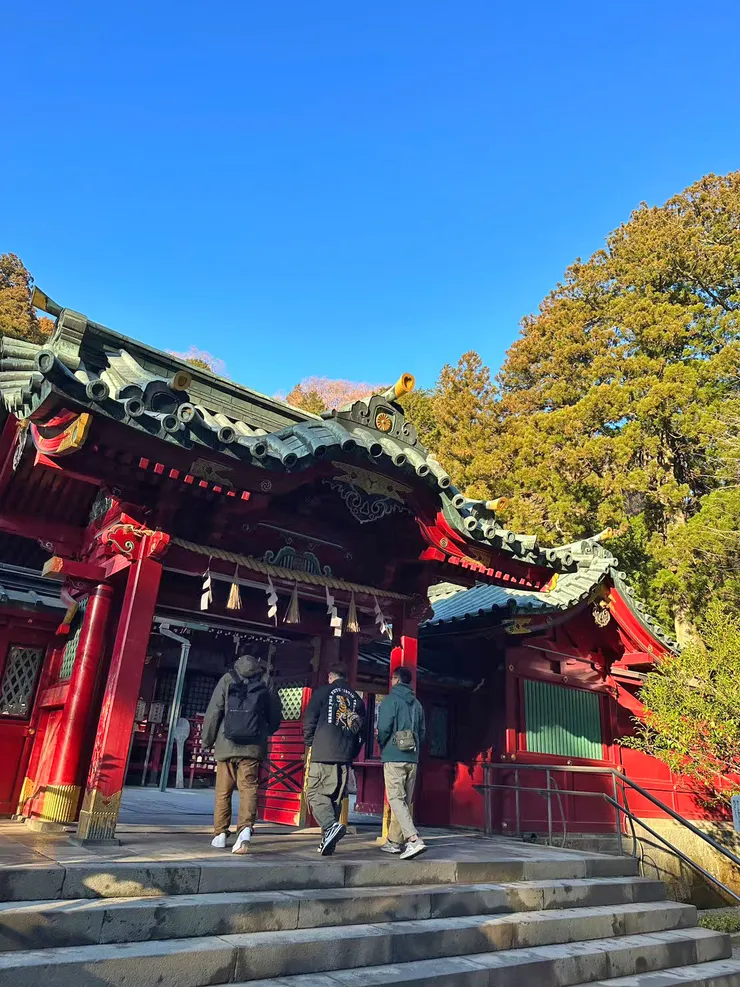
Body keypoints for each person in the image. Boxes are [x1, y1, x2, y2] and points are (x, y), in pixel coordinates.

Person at [202, 654, 282, 854]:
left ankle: (220, 834)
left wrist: (207, 740)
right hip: (253, 745)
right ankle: (245, 830)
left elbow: (214, 711)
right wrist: (265, 731)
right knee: (248, 788)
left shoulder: (227, 679)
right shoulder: (266, 680)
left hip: (226, 742)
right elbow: (275, 714)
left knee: (223, 790)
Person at [303, 663, 366, 856]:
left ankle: (330, 827)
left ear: (331, 676)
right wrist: (352, 752)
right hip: (345, 754)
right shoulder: (357, 699)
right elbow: (360, 733)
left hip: (324, 751)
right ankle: (328, 842)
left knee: (314, 793)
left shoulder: (322, 693)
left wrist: (310, 742)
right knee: (334, 799)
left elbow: (310, 719)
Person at [377, 665, 427, 860]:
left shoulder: (391, 700)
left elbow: (383, 728)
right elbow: (422, 732)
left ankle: (413, 839)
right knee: (404, 801)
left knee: (396, 799)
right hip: (412, 758)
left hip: (394, 754)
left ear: (396, 679)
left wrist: (383, 743)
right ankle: (393, 842)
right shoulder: (417, 704)